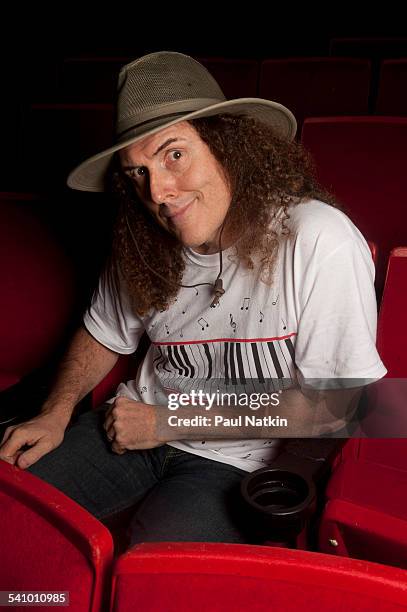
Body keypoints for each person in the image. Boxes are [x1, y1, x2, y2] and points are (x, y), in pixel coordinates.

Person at [0, 51, 386, 544]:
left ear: (230, 145)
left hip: (239, 461)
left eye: (174, 155)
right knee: (12, 521)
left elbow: (344, 407)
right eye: (136, 172)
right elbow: (102, 333)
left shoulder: (318, 238)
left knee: (158, 585)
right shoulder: (144, 238)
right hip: (130, 426)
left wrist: (170, 420)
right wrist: (55, 413)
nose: (158, 191)